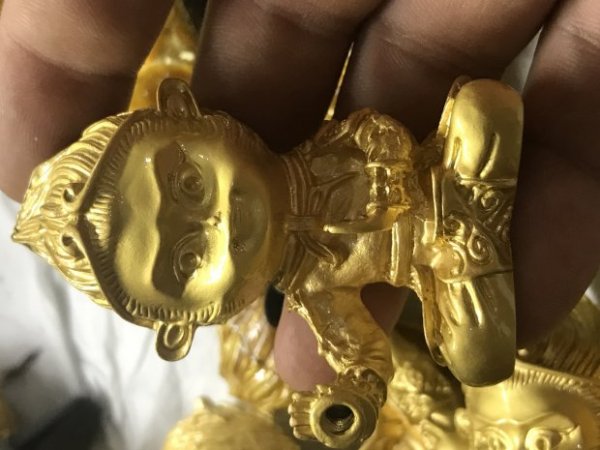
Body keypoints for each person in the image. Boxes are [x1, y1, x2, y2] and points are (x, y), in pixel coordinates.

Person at [0, 0, 598, 418]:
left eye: (189, 185)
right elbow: (360, 350)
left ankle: (474, 207)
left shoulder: (317, 158)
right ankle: (475, 234)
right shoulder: (314, 290)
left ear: (187, 112)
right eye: (187, 258)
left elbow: (372, 132)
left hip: (440, 177)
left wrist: (389, 160)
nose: (215, 222)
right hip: (439, 267)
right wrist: (356, 394)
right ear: (183, 327)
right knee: (478, 356)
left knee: (483, 106)